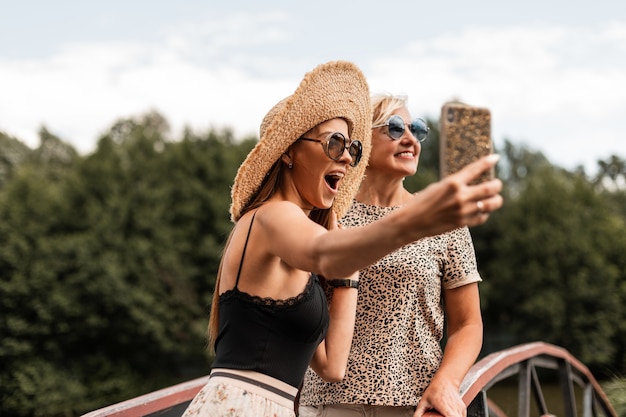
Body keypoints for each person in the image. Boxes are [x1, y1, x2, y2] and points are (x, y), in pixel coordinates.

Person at [181, 62, 502, 417]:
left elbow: (333, 365)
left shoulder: (312, 225)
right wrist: (417, 221)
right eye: (335, 143)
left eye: (351, 147)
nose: (348, 156)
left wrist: (347, 268)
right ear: (288, 150)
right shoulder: (275, 217)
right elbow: (324, 254)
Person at [299, 93, 487, 417]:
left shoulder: (442, 219)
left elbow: (468, 324)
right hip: (328, 404)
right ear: (361, 143)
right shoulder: (326, 213)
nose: (411, 139)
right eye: (396, 128)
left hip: (413, 407)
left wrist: (446, 381)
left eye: (418, 129)